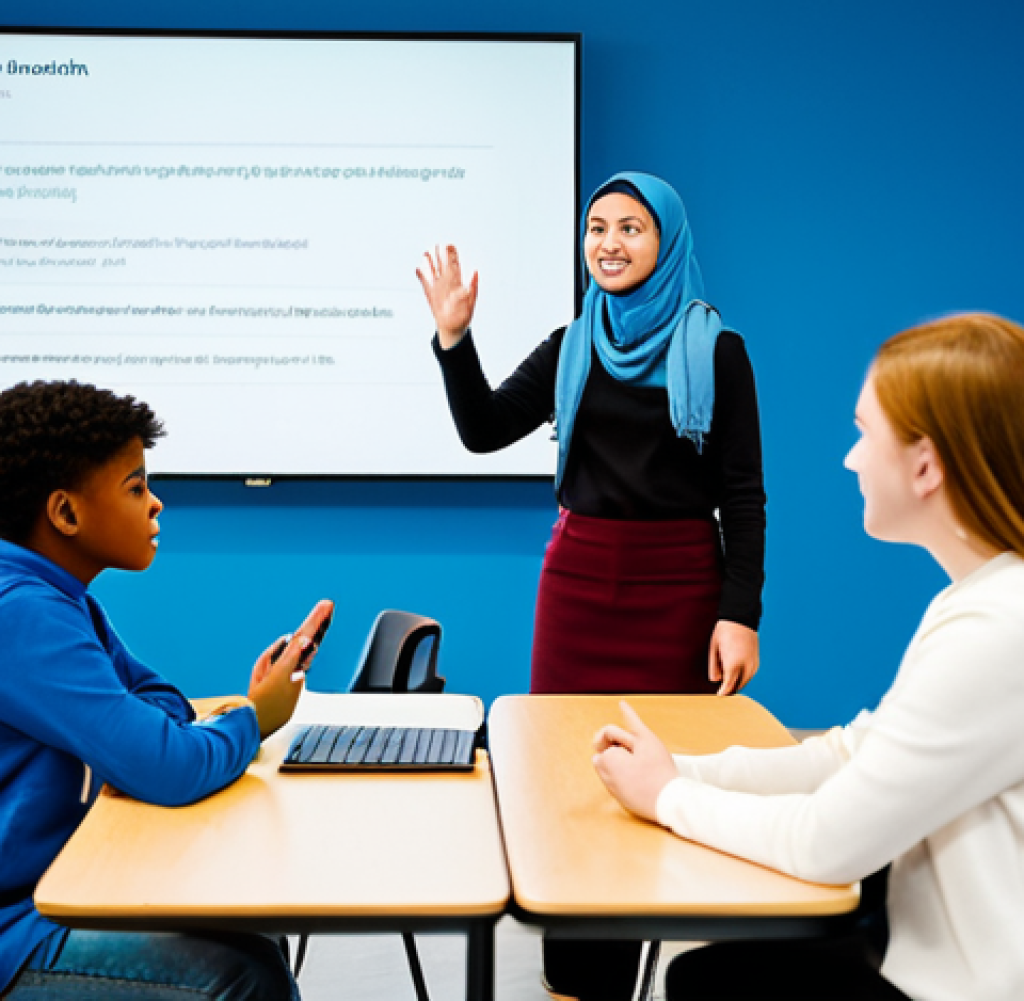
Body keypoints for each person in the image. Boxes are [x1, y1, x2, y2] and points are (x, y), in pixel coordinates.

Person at [593, 311, 1024, 1001]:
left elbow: (828, 845)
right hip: (918, 954)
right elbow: (849, 755)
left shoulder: (998, 630)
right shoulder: (979, 600)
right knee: (709, 974)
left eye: (863, 434)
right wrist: (682, 772)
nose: (850, 458)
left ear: (925, 465)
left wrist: (669, 798)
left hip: (956, 987)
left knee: (709, 983)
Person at [418, 172, 766, 1000]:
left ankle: (641, 954)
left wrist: (739, 614)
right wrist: (453, 340)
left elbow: (744, 495)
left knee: (658, 773)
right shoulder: (573, 342)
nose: (609, 244)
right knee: (566, 776)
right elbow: (483, 431)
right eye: (597, 228)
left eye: (631, 228)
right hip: (577, 584)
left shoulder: (717, 349)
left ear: (667, 241)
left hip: (680, 585)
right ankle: (572, 976)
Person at [0, 379, 333, 1001]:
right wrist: (254, 719)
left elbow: (160, 700)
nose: (155, 505)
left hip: (62, 883)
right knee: (242, 976)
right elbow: (168, 765)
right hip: (16, 929)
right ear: (66, 513)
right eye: (136, 487)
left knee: (254, 938)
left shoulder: (61, 600)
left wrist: (137, 745)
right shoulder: (21, 614)